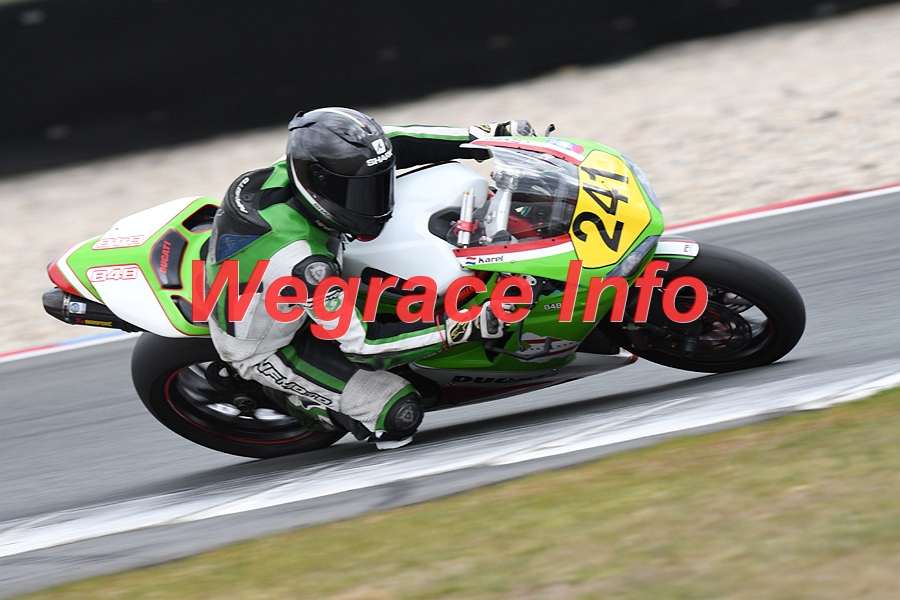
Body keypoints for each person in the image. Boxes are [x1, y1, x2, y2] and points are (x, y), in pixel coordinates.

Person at [205, 107, 534, 449]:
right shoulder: (305, 264)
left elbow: (396, 142)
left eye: (375, 187)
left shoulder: (302, 166)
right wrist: (465, 325)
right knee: (399, 413)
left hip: (281, 276)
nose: (373, 203)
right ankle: (298, 401)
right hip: (273, 345)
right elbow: (364, 345)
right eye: (358, 193)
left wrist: (487, 137)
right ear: (320, 185)